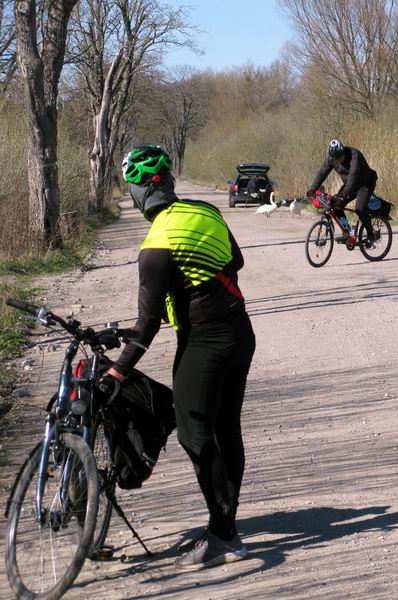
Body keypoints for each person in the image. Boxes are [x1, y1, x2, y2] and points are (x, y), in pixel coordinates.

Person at [101, 145, 256, 569]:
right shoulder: (207, 212)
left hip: (204, 342)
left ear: (142, 190)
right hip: (240, 334)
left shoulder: (155, 246)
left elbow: (147, 325)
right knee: (227, 428)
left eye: (131, 186)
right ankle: (225, 524)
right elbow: (235, 260)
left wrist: (117, 370)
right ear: (168, 183)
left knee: (193, 432)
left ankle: (224, 534)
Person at [306, 139, 378, 244]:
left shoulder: (355, 156)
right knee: (335, 206)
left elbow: (353, 179)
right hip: (349, 185)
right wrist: (312, 190)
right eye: (335, 159)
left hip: (365, 184)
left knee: (359, 209)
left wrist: (342, 195)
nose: (337, 161)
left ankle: (371, 235)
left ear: (343, 152)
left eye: (339, 158)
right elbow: (322, 172)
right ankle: (347, 232)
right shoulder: (332, 159)